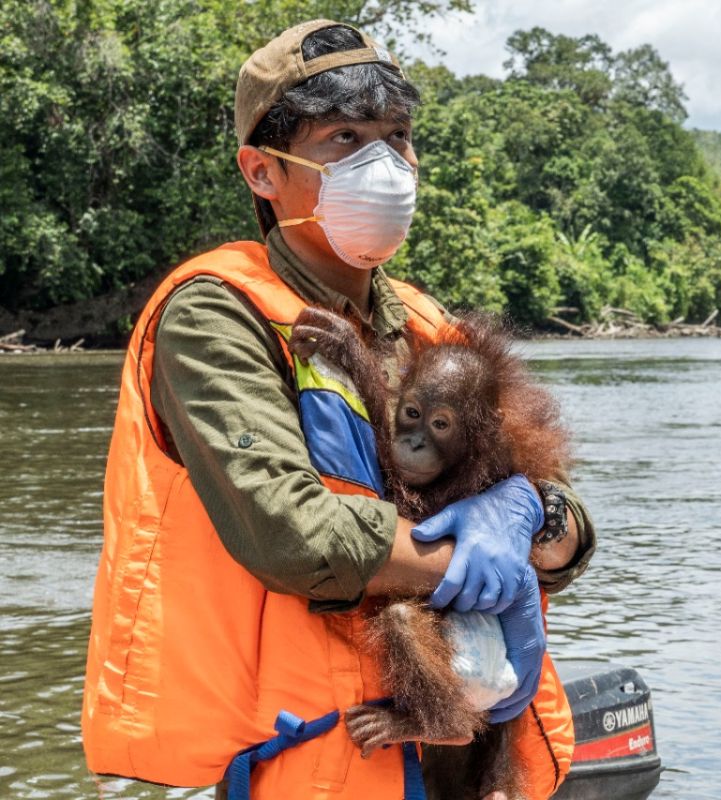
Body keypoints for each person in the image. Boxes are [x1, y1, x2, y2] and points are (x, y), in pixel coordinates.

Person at [81, 19, 595, 800]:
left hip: (466, 749)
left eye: (397, 136)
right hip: (320, 759)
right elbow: (293, 532)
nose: (384, 164)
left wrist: (537, 521)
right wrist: (476, 559)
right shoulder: (216, 314)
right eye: (345, 137)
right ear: (262, 171)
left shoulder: (431, 328)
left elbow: (561, 523)